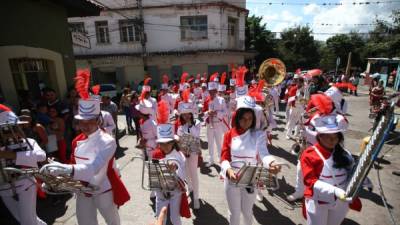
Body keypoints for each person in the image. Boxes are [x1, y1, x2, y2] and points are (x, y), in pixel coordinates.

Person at [42, 69, 130, 225]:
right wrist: (56, 175)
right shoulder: (76, 140)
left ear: (98, 120)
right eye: (82, 122)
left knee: (113, 221)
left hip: (102, 189)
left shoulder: (108, 141)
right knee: (84, 222)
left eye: (90, 121)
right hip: (81, 189)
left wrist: (64, 168)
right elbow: (74, 164)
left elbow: (94, 168)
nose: (86, 125)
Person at [220, 96, 281, 225]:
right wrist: (228, 170)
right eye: (243, 118)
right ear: (237, 118)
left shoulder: (259, 134)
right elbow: (224, 157)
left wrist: (272, 162)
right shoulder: (229, 134)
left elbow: (264, 154)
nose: (246, 122)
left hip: (251, 178)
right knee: (234, 213)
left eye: (250, 118)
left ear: (254, 119)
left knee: (247, 212)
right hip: (232, 178)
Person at [300, 113, 361, 225]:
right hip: (318, 201)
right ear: (319, 136)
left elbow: (351, 174)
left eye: (335, 136)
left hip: (341, 201)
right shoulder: (309, 154)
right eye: (327, 136)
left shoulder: (345, 154)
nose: (332, 140)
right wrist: (334, 191)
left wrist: (362, 180)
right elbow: (310, 181)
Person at [0, 104, 47, 225]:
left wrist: (12, 155)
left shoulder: (29, 142)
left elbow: (41, 156)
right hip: (4, 188)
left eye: (15, 128)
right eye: (6, 130)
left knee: (27, 221)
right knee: (24, 219)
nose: (12, 133)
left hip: (26, 183)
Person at [152, 101, 190, 225]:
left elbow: (183, 177)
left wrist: (175, 171)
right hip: (160, 191)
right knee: (160, 218)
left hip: (175, 192)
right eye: (162, 143)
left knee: (175, 218)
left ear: (173, 142)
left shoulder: (180, 156)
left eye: (168, 142)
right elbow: (153, 173)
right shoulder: (156, 154)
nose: (165, 146)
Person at [177, 92, 201, 209]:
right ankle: (189, 188)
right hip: (183, 152)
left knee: (193, 173)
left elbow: (196, 136)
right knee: (186, 173)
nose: (186, 116)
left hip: (194, 151)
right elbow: (178, 139)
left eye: (188, 114)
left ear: (191, 114)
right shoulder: (180, 127)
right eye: (184, 115)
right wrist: (182, 148)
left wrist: (190, 125)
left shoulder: (197, 123)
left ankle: (196, 197)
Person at [203, 73, 229, 166]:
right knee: (210, 142)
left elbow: (226, 112)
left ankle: (221, 159)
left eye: (213, 91)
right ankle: (211, 160)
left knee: (219, 142)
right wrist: (207, 113)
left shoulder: (221, 100)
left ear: (216, 90)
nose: (211, 93)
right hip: (209, 123)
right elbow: (203, 112)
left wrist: (216, 113)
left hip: (218, 123)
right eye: (210, 91)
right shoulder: (207, 100)